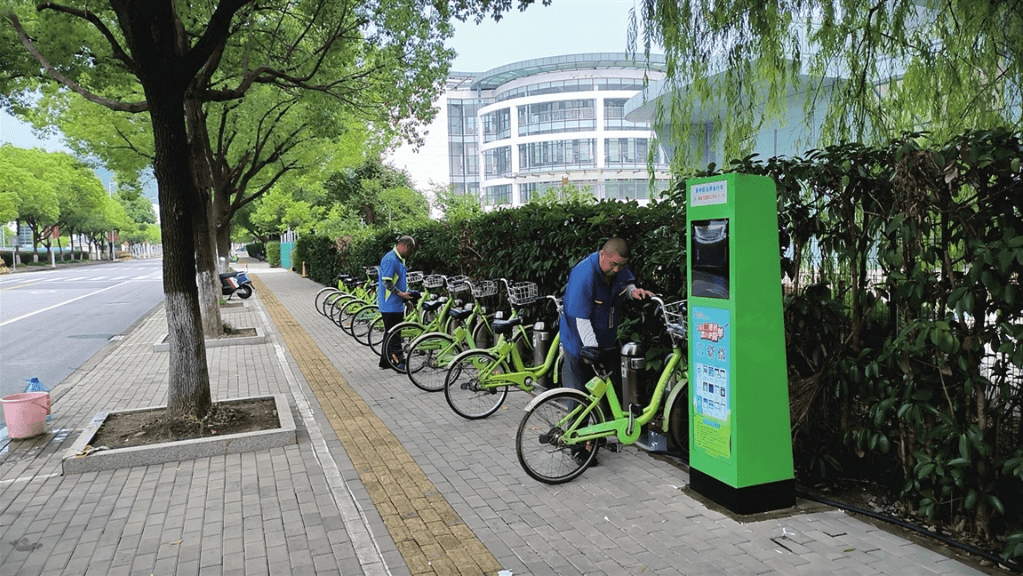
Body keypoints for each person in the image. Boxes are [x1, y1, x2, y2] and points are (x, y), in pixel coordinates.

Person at [560, 238, 653, 462]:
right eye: (613, 264)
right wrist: (589, 347)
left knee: (602, 392)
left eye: (621, 265)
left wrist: (633, 292)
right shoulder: (584, 274)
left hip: (606, 341)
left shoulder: (617, 268)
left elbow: (625, 285)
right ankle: (577, 445)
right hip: (579, 342)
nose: (616, 270)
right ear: (602, 254)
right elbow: (579, 317)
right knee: (579, 393)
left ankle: (598, 436)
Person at [378, 235, 416, 370]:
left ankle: (385, 361)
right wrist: (402, 294)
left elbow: (398, 281)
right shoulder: (391, 259)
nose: (412, 253)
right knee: (394, 336)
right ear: (404, 245)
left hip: (395, 304)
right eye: (411, 249)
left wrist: (405, 300)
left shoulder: (399, 259)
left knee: (390, 333)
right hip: (390, 304)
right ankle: (398, 362)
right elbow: (387, 282)